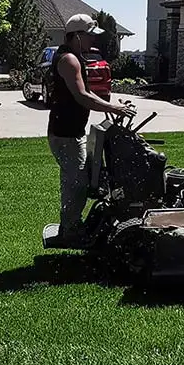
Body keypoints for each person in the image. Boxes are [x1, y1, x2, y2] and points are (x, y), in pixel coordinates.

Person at [48, 12, 133, 244]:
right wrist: (115, 110)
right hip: (65, 134)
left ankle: (73, 226)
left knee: (83, 179)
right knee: (76, 184)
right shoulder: (69, 60)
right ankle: (70, 231)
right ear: (75, 36)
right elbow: (82, 96)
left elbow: (88, 91)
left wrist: (111, 105)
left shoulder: (75, 56)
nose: (92, 40)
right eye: (89, 36)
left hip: (71, 131)